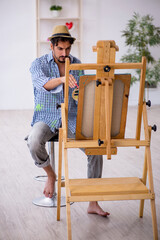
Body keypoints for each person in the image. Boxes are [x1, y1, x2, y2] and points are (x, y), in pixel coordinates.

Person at [27, 25, 109, 217]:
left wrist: (83, 95)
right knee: (33, 141)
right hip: (45, 116)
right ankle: (51, 175)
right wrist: (63, 79)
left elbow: (82, 96)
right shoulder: (38, 64)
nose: (64, 53)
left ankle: (93, 202)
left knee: (95, 149)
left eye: (67, 49)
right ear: (52, 46)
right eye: (60, 49)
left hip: (71, 118)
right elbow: (44, 84)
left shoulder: (77, 65)